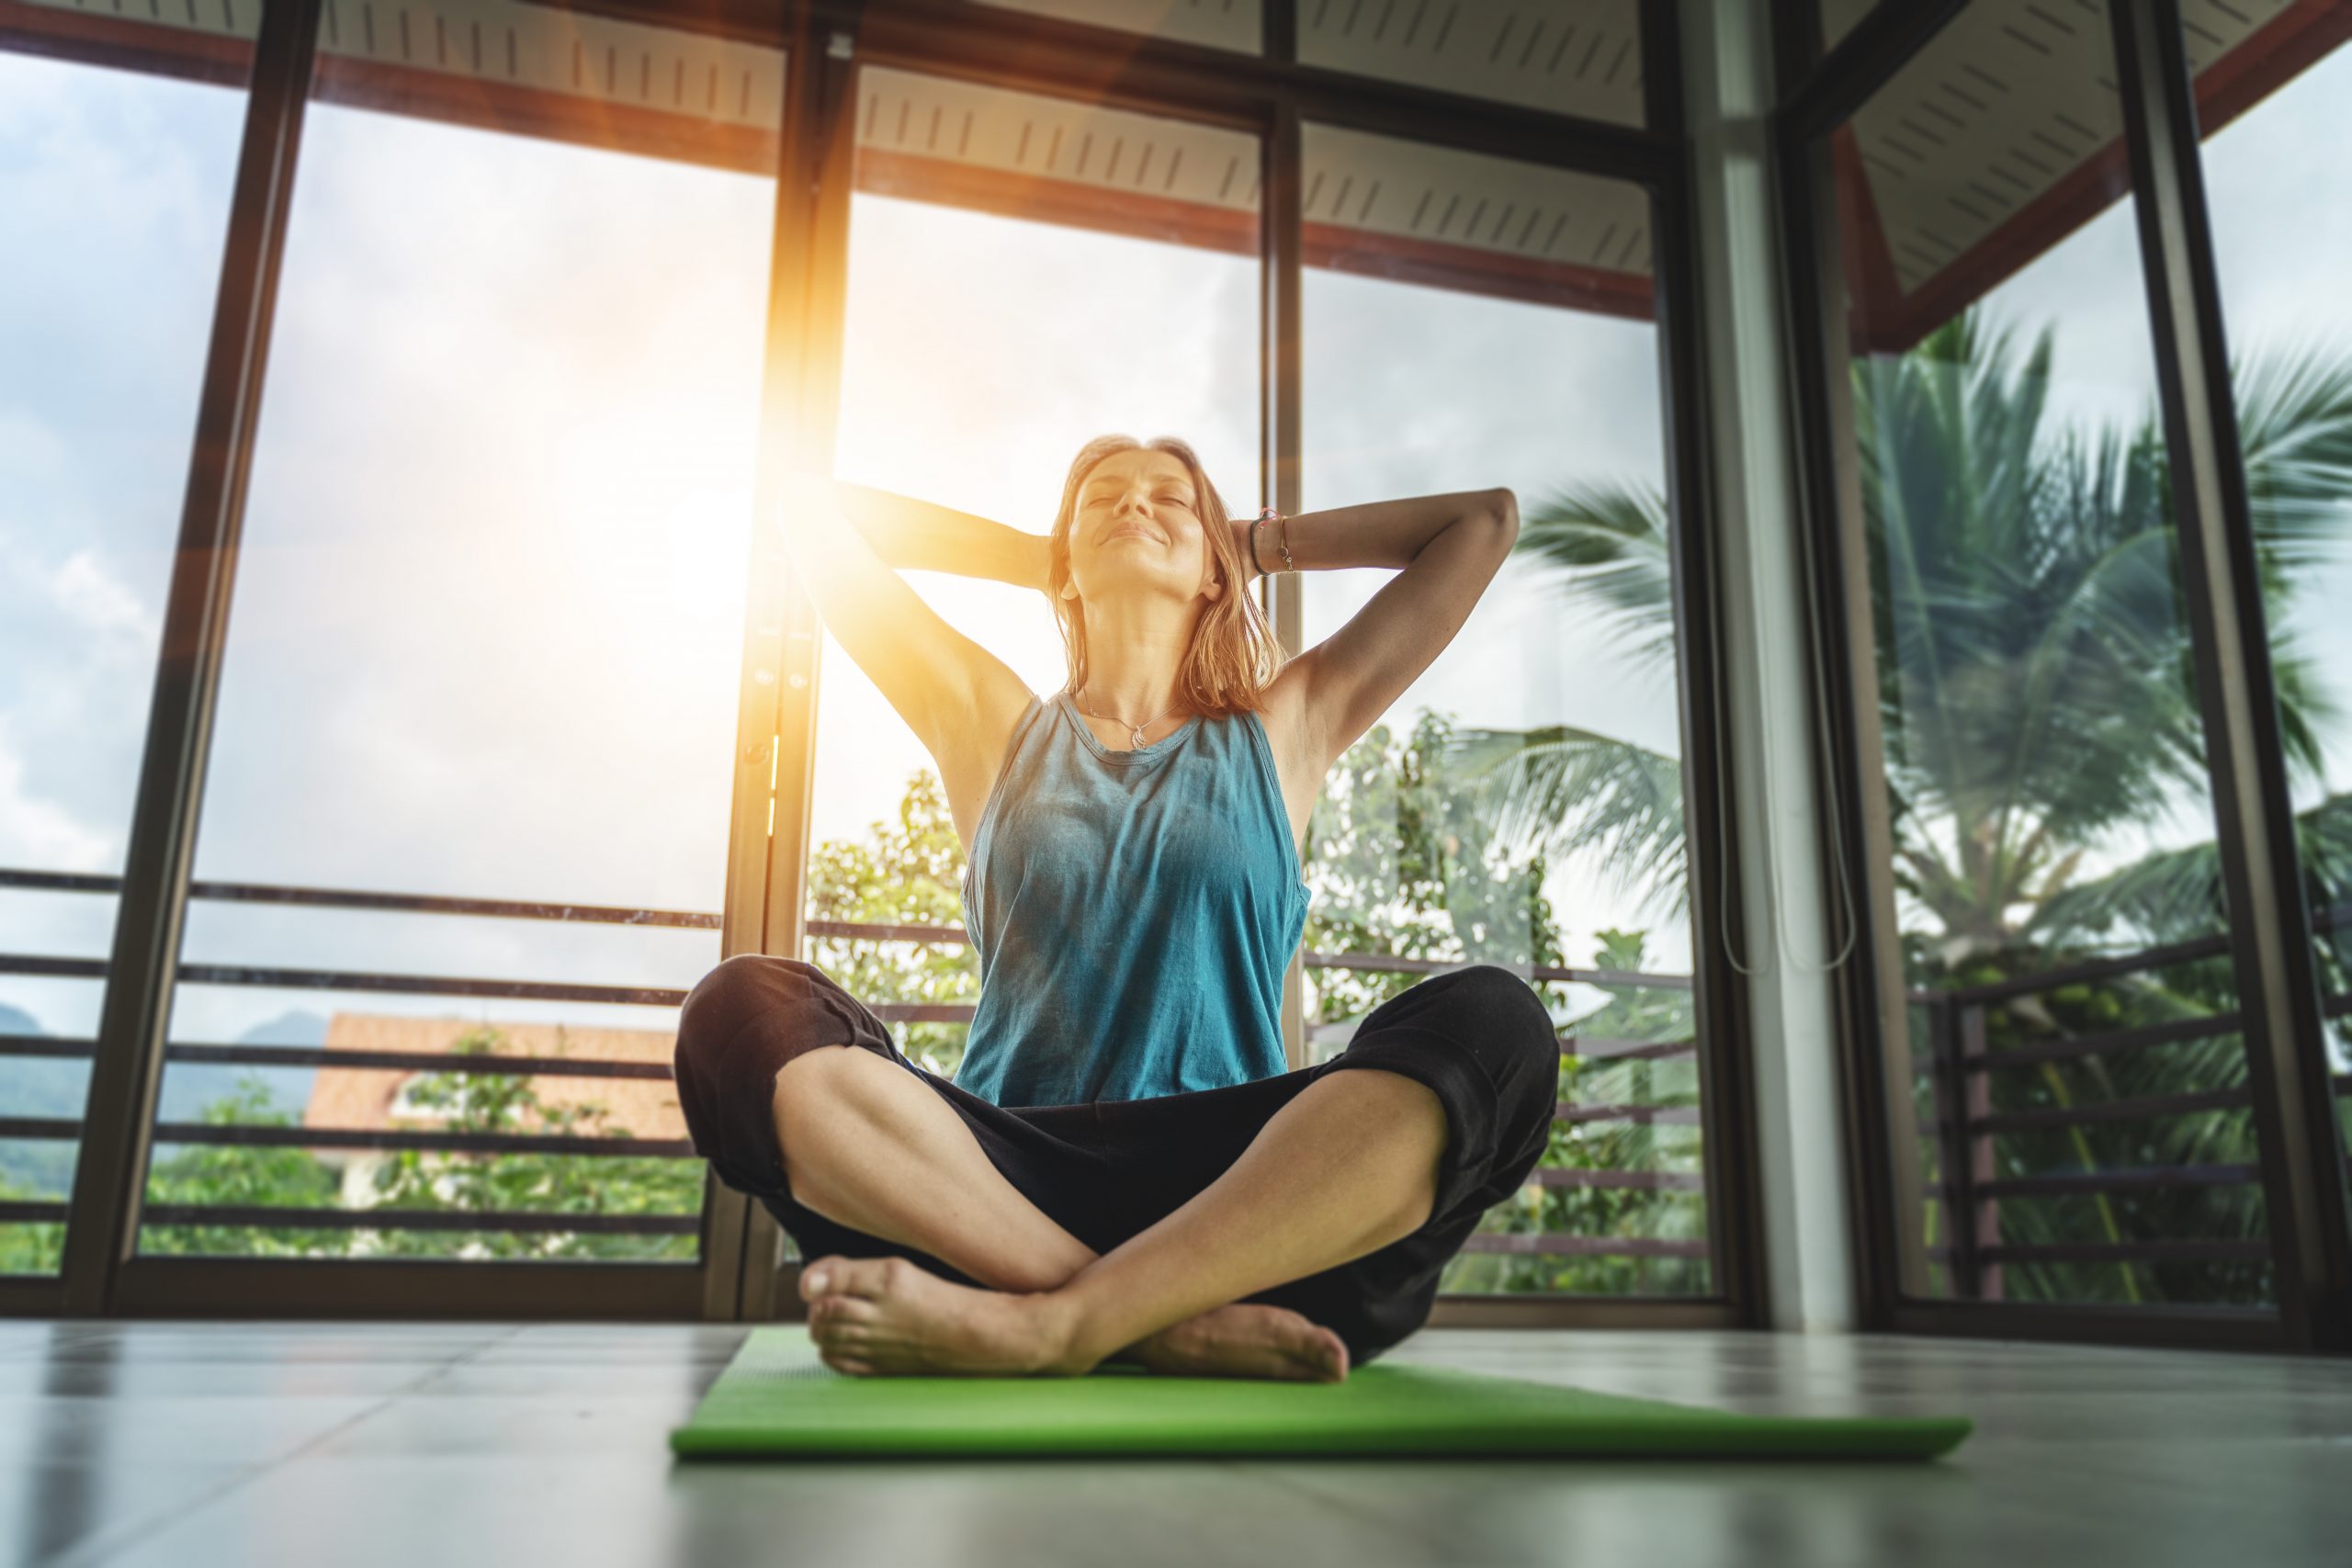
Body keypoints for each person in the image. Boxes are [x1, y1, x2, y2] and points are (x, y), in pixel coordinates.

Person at [670, 434, 1561, 1382]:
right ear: (1064, 559)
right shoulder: (991, 721)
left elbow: (1481, 523)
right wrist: (1043, 557)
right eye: (1102, 500)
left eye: (1170, 499)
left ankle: (1047, 1325)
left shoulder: (1285, 726)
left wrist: (1251, 543)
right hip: (1001, 1195)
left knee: (1494, 1026)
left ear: (1214, 569)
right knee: (739, 1014)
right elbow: (812, 514)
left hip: (1250, 1209)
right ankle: (1159, 1323)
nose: (1135, 507)